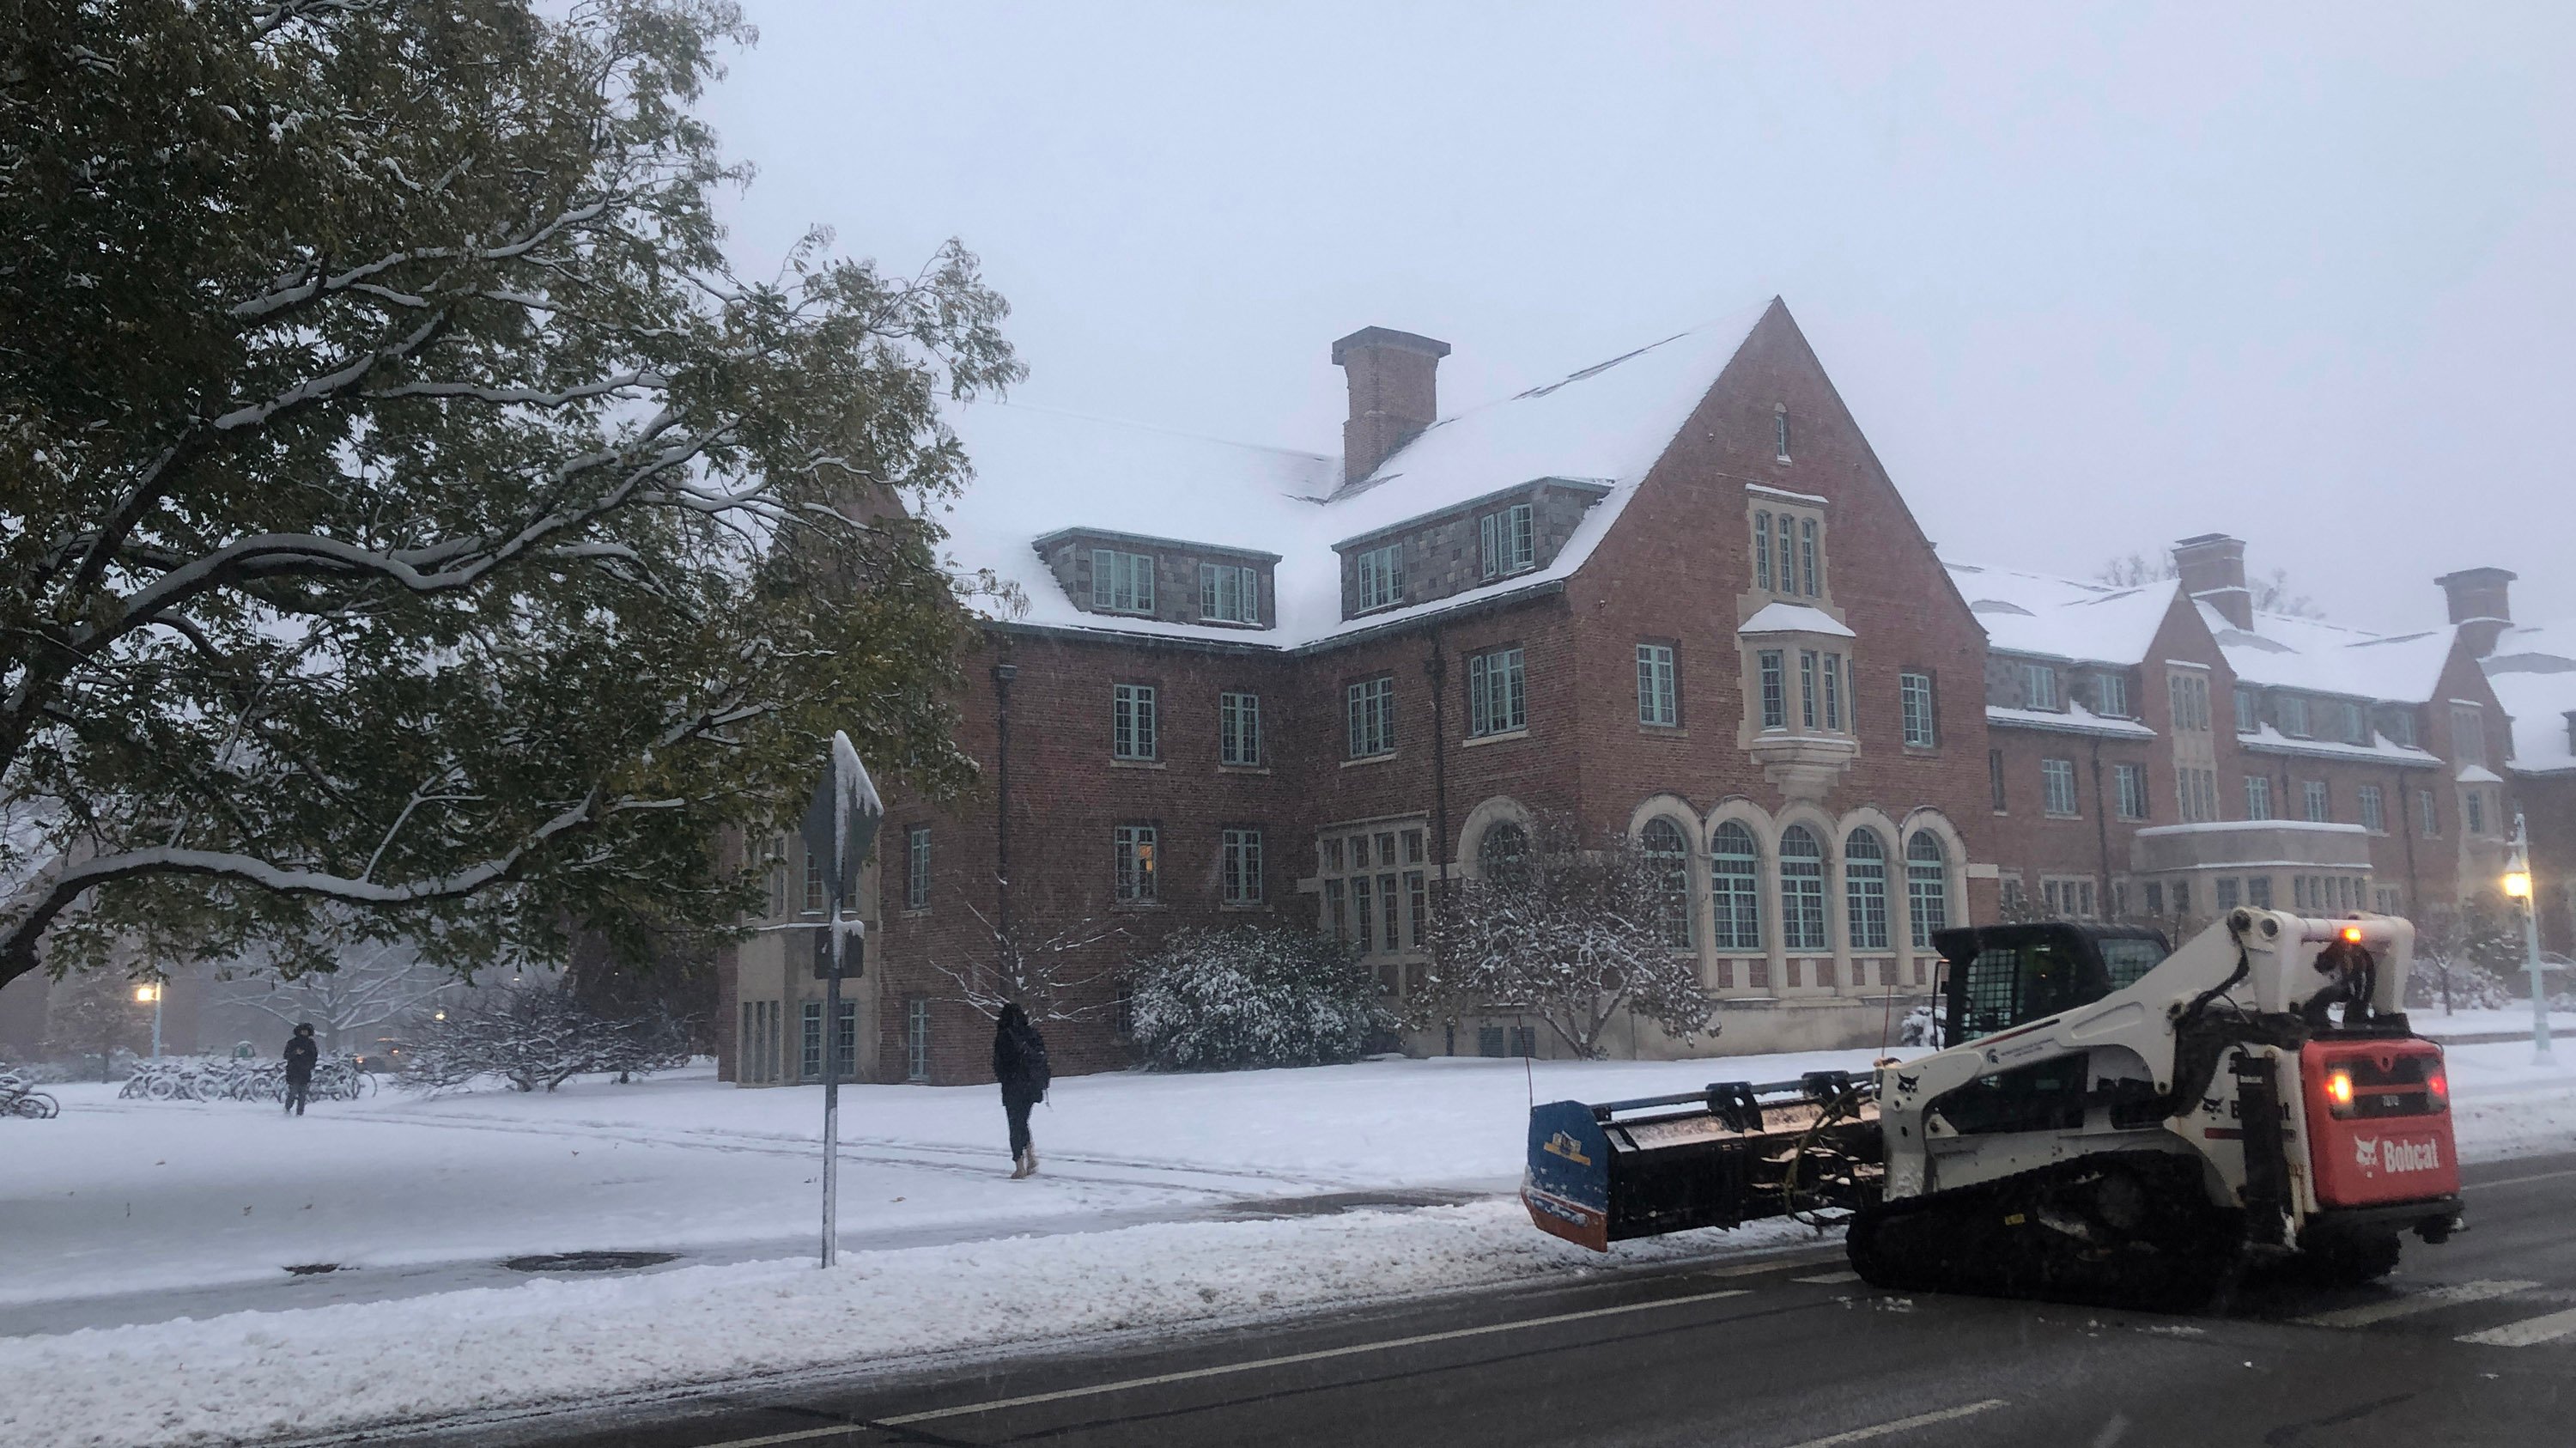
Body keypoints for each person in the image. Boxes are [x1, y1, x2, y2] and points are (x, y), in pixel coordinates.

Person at [991, 1002, 1050, 1178]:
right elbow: (1042, 1057)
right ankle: (1031, 1156)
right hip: (1032, 1085)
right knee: (1023, 1120)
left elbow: (999, 1064)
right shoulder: (1032, 1033)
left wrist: (1006, 1077)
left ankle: (1019, 1164)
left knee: (1015, 1122)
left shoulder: (1004, 1036)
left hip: (1013, 1085)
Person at [282, 1024, 319, 1116]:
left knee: (303, 1094)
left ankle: (300, 1112)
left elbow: (314, 1056)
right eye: (303, 1031)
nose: (304, 1033)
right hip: (293, 1071)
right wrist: (295, 1053)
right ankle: (288, 1107)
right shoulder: (292, 1043)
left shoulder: (311, 1043)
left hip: (305, 1071)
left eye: (306, 1031)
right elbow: (286, 1055)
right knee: (293, 1092)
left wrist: (310, 1065)